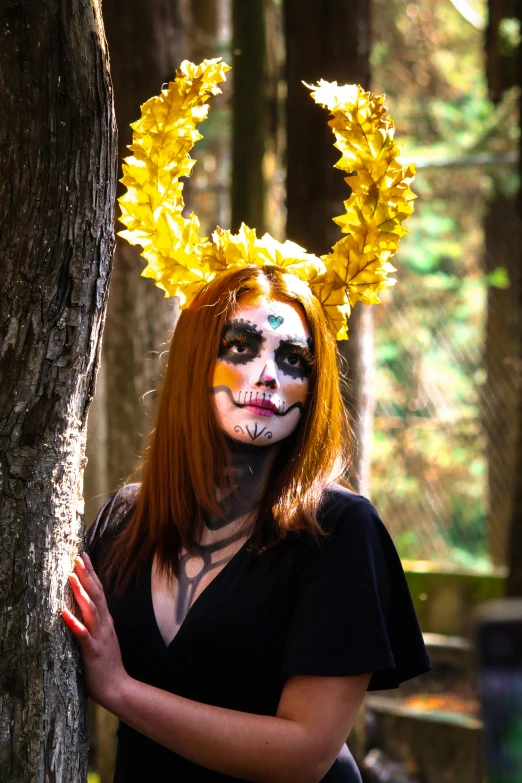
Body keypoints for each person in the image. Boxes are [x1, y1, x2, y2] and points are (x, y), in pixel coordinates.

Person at [61, 60, 430, 782]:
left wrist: (121, 689)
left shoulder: (337, 531)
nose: (268, 373)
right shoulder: (125, 523)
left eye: (294, 359)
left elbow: (303, 751)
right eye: (242, 346)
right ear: (199, 363)